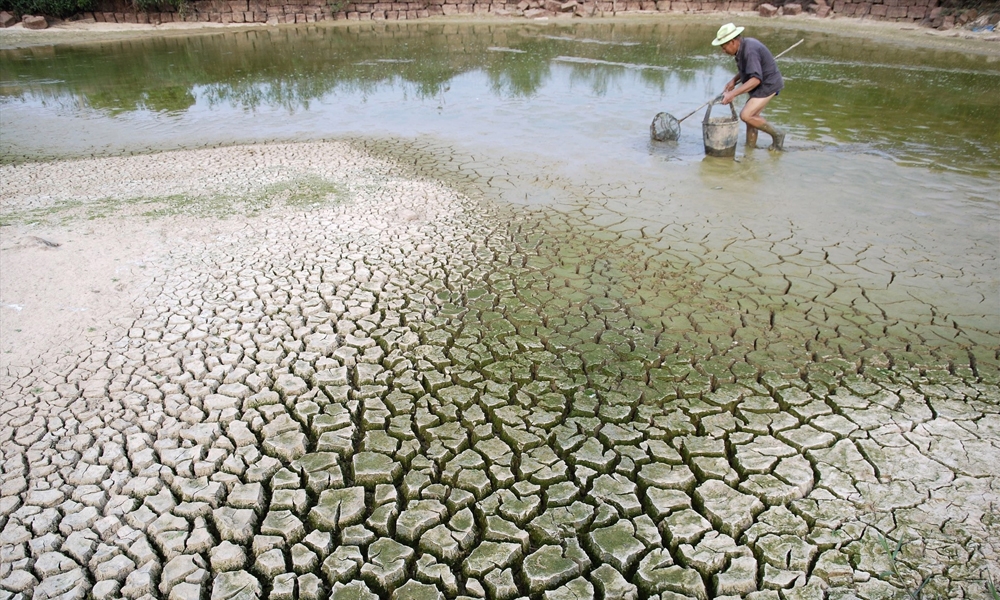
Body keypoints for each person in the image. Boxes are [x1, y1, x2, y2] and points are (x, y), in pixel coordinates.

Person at [712, 23, 786, 151]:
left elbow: (756, 79)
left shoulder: (749, 50)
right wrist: (734, 80)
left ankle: (777, 134)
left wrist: (732, 94)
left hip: (768, 84)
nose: (723, 51)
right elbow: (747, 69)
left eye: (724, 47)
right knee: (751, 119)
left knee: (746, 115)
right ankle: (750, 150)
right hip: (760, 83)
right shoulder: (741, 48)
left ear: (733, 42)